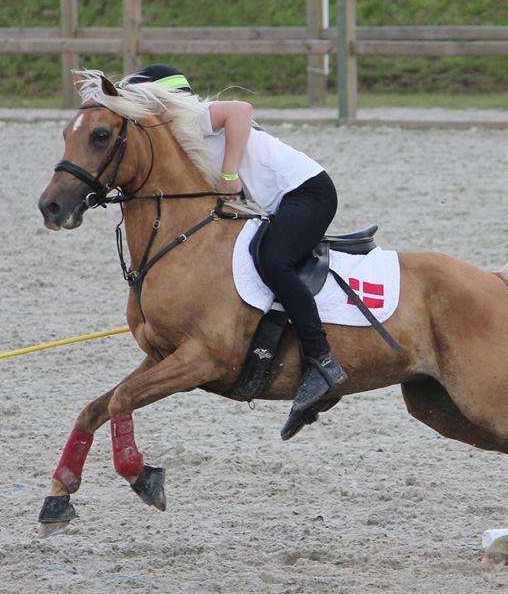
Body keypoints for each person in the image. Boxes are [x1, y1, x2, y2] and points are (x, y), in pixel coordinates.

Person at [125, 64, 345, 440]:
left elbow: (240, 110)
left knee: (274, 261)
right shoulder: (178, 136)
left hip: (307, 192)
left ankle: (322, 360)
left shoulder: (193, 117)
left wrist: (228, 173)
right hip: (283, 200)